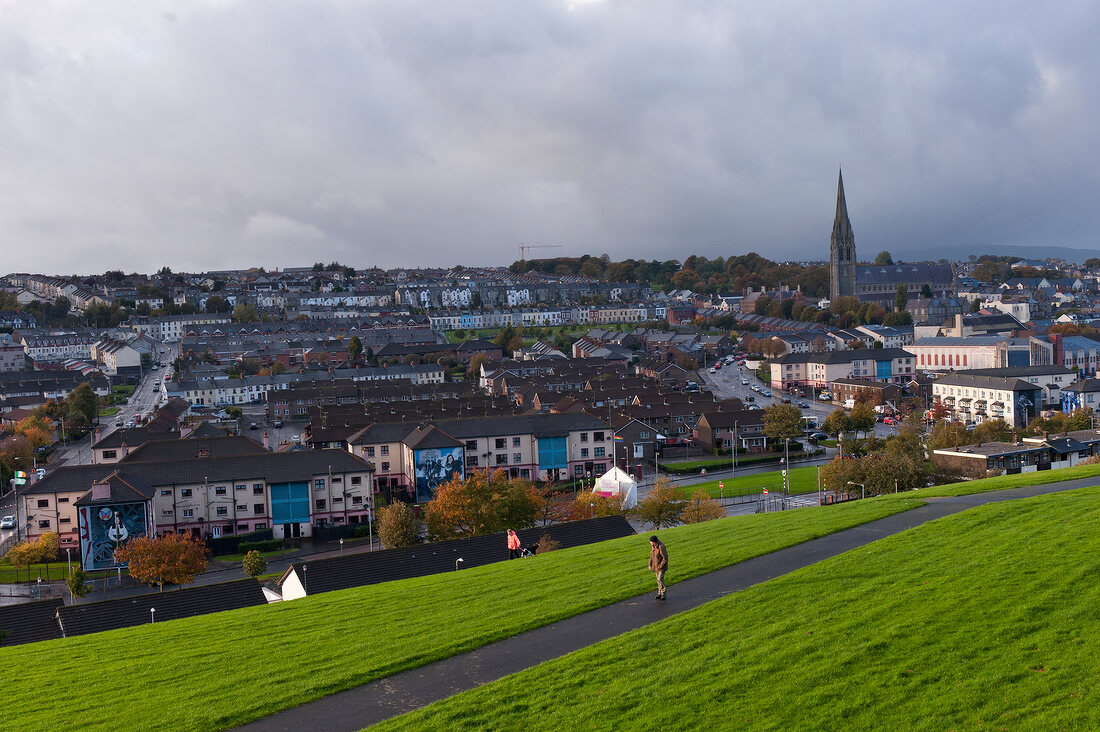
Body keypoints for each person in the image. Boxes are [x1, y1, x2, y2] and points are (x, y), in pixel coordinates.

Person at [648, 535, 668, 600]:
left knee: (660, 579)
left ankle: (663, 593)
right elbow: (651, 556)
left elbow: (665, 558)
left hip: (661, 567)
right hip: (655, 566)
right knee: (658, 580)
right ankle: (659, 593)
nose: (650, 543)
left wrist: (660, 566)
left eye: (651, 541)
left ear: (654, 542)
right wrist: (650, 564)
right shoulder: (653, 546)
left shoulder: (661, 547)